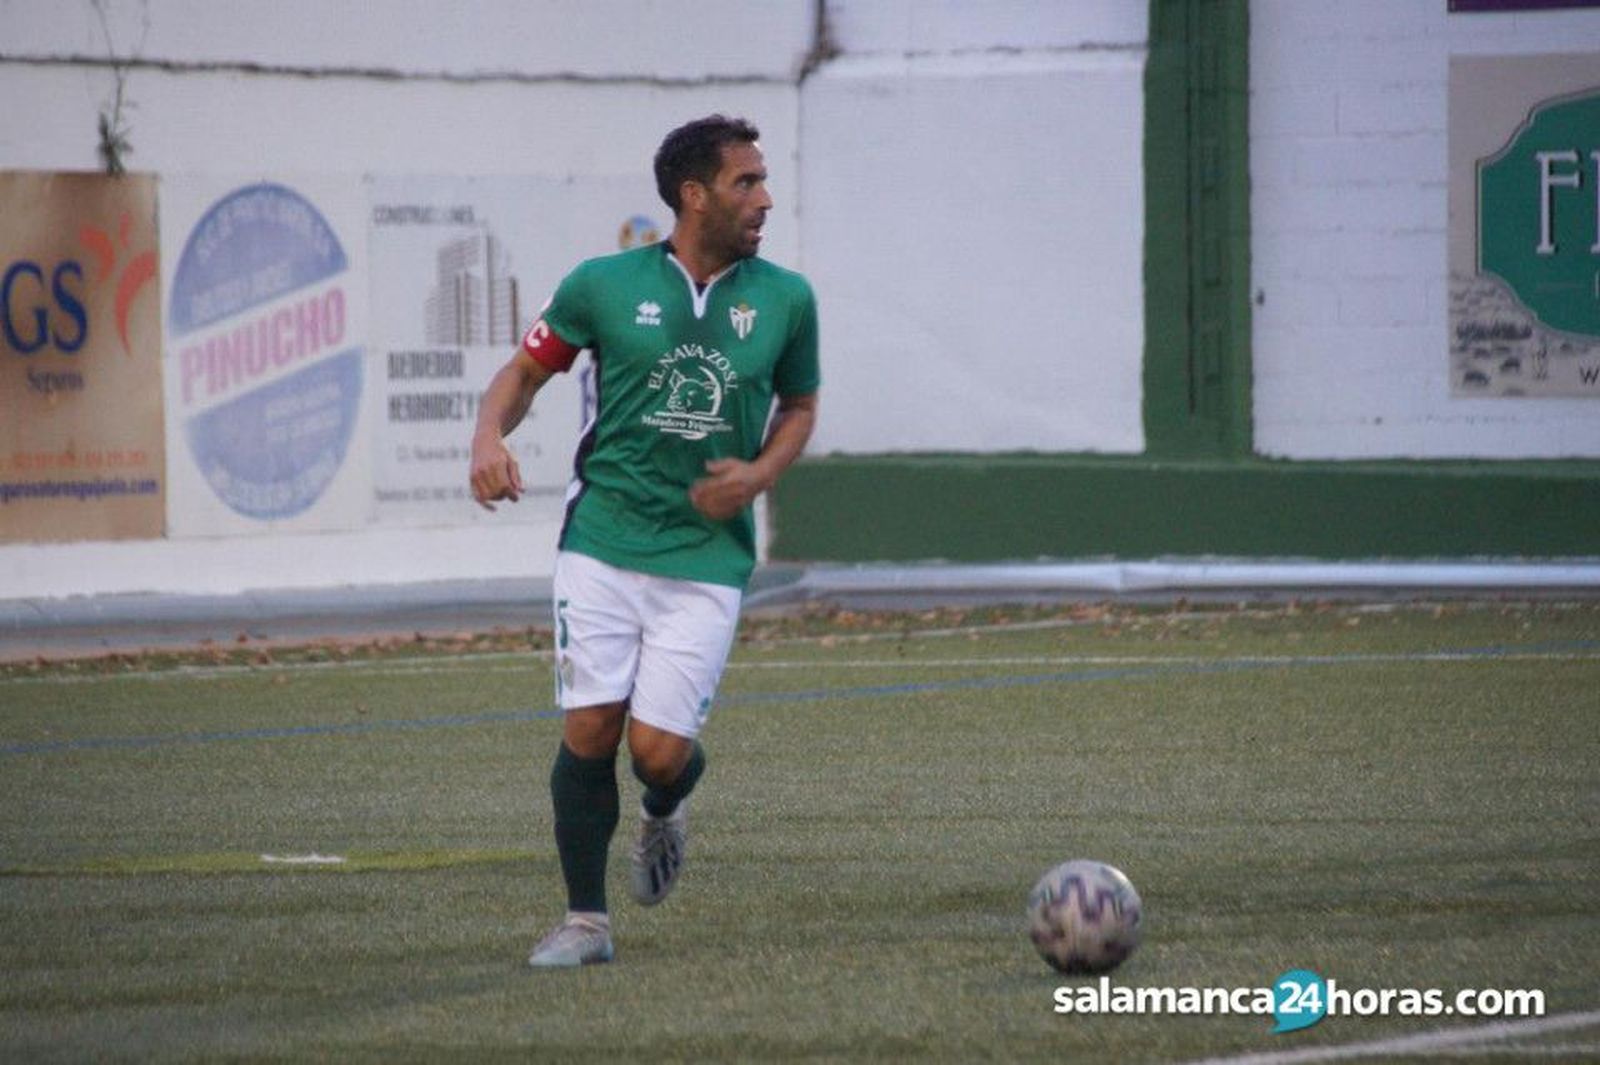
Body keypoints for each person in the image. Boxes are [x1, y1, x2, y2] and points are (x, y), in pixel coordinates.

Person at [468, 115, 820, 968]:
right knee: (590, 727)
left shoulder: (786, 298)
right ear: (693, 194)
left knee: (657, 753)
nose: (765, 198)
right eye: (747, 182)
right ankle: (585, 922)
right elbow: (523, 373)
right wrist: (488, 435)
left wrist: (760, 473)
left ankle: (667, 805)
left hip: (707, 556)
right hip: (602, 537)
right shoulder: (602, 283)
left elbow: (799, 406)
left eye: (764, 180)